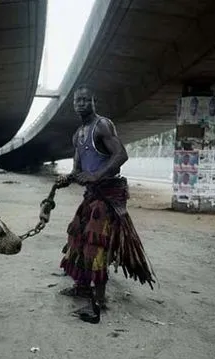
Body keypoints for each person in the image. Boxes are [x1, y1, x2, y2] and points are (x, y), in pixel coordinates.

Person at [55, 85, 155, 315]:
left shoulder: (102, 125)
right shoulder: (78, 134)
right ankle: (81, 287)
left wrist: (97, 175)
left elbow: (121, 154)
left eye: (85, 100)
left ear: (93, 101)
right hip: (91, 195)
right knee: (78, 238)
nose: (80, 104)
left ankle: (99, 299)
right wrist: (67, 179)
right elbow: (78, 170)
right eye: (77, 101)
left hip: (107, 196)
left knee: (96, 244)